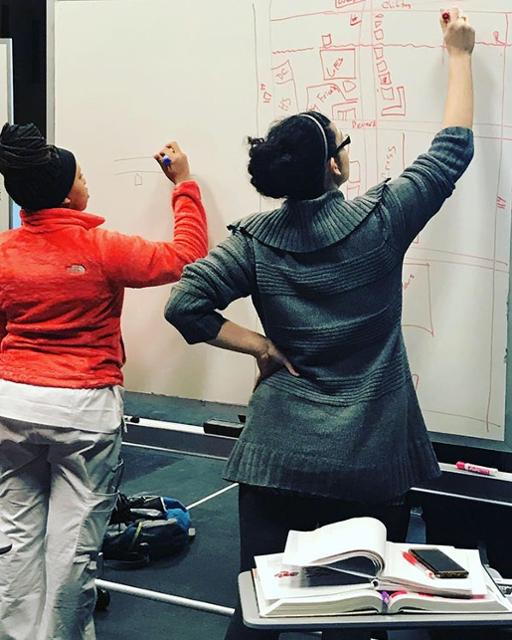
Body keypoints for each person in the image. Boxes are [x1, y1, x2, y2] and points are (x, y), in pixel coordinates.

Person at [165, 9, 474, 640]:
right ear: (333, 167)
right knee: (362, 618)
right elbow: (451, 151)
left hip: (276, 456)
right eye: (344, 145)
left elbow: (184, 305)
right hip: (369, 456)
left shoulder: (251, 242)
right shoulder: (382, 220)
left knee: (260, 614)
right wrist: (460, 55)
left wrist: (262, 347)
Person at [0, 125, 207, 640]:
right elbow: (188, 257)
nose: (88, 183)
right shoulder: (101, 247)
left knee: (16, 538)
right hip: (82, 414)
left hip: (11, 406)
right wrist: (184, 184)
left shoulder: (3, 251)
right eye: (84, 176)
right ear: (69, 193)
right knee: (71, 553)